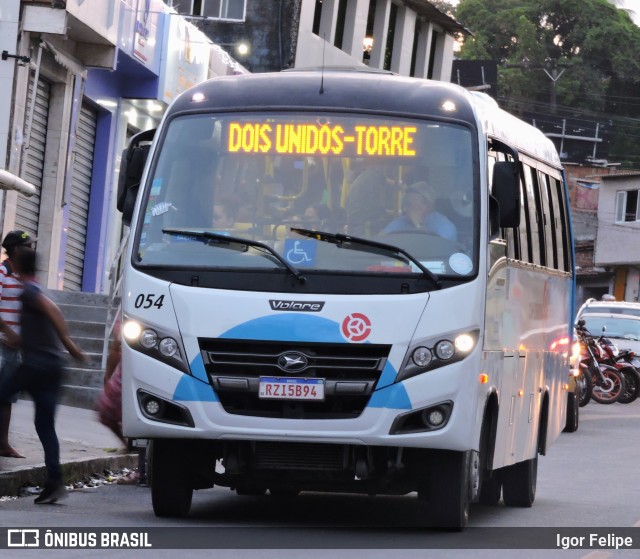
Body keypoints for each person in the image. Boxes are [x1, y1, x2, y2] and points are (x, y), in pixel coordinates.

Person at [0, 246, 86, 504]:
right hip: (52, 366)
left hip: (36, 366)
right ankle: (55, 481)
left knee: (2, 395)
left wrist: (69, 343)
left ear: (16, 264)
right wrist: (19, 337)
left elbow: (51, 310)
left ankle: (54, 481)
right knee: (45, 426)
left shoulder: (30, 292)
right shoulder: (37, 288)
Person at [0, 230, 35, 459]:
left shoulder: (23, 276)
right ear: (15, 250)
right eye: (27, 246)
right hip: (2, 345)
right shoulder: (1, 273)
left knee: (7, 397)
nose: (31, 251)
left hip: (16, 349)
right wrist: (9, 332)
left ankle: (3, 444)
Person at [382, 181, 458, 242]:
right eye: (404, 205)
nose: (404, 210)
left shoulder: (445, 227)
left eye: (409, 205)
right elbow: (380, 240)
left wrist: (418, 225)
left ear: (425, 205)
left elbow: (436, 251)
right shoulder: (402, 221)